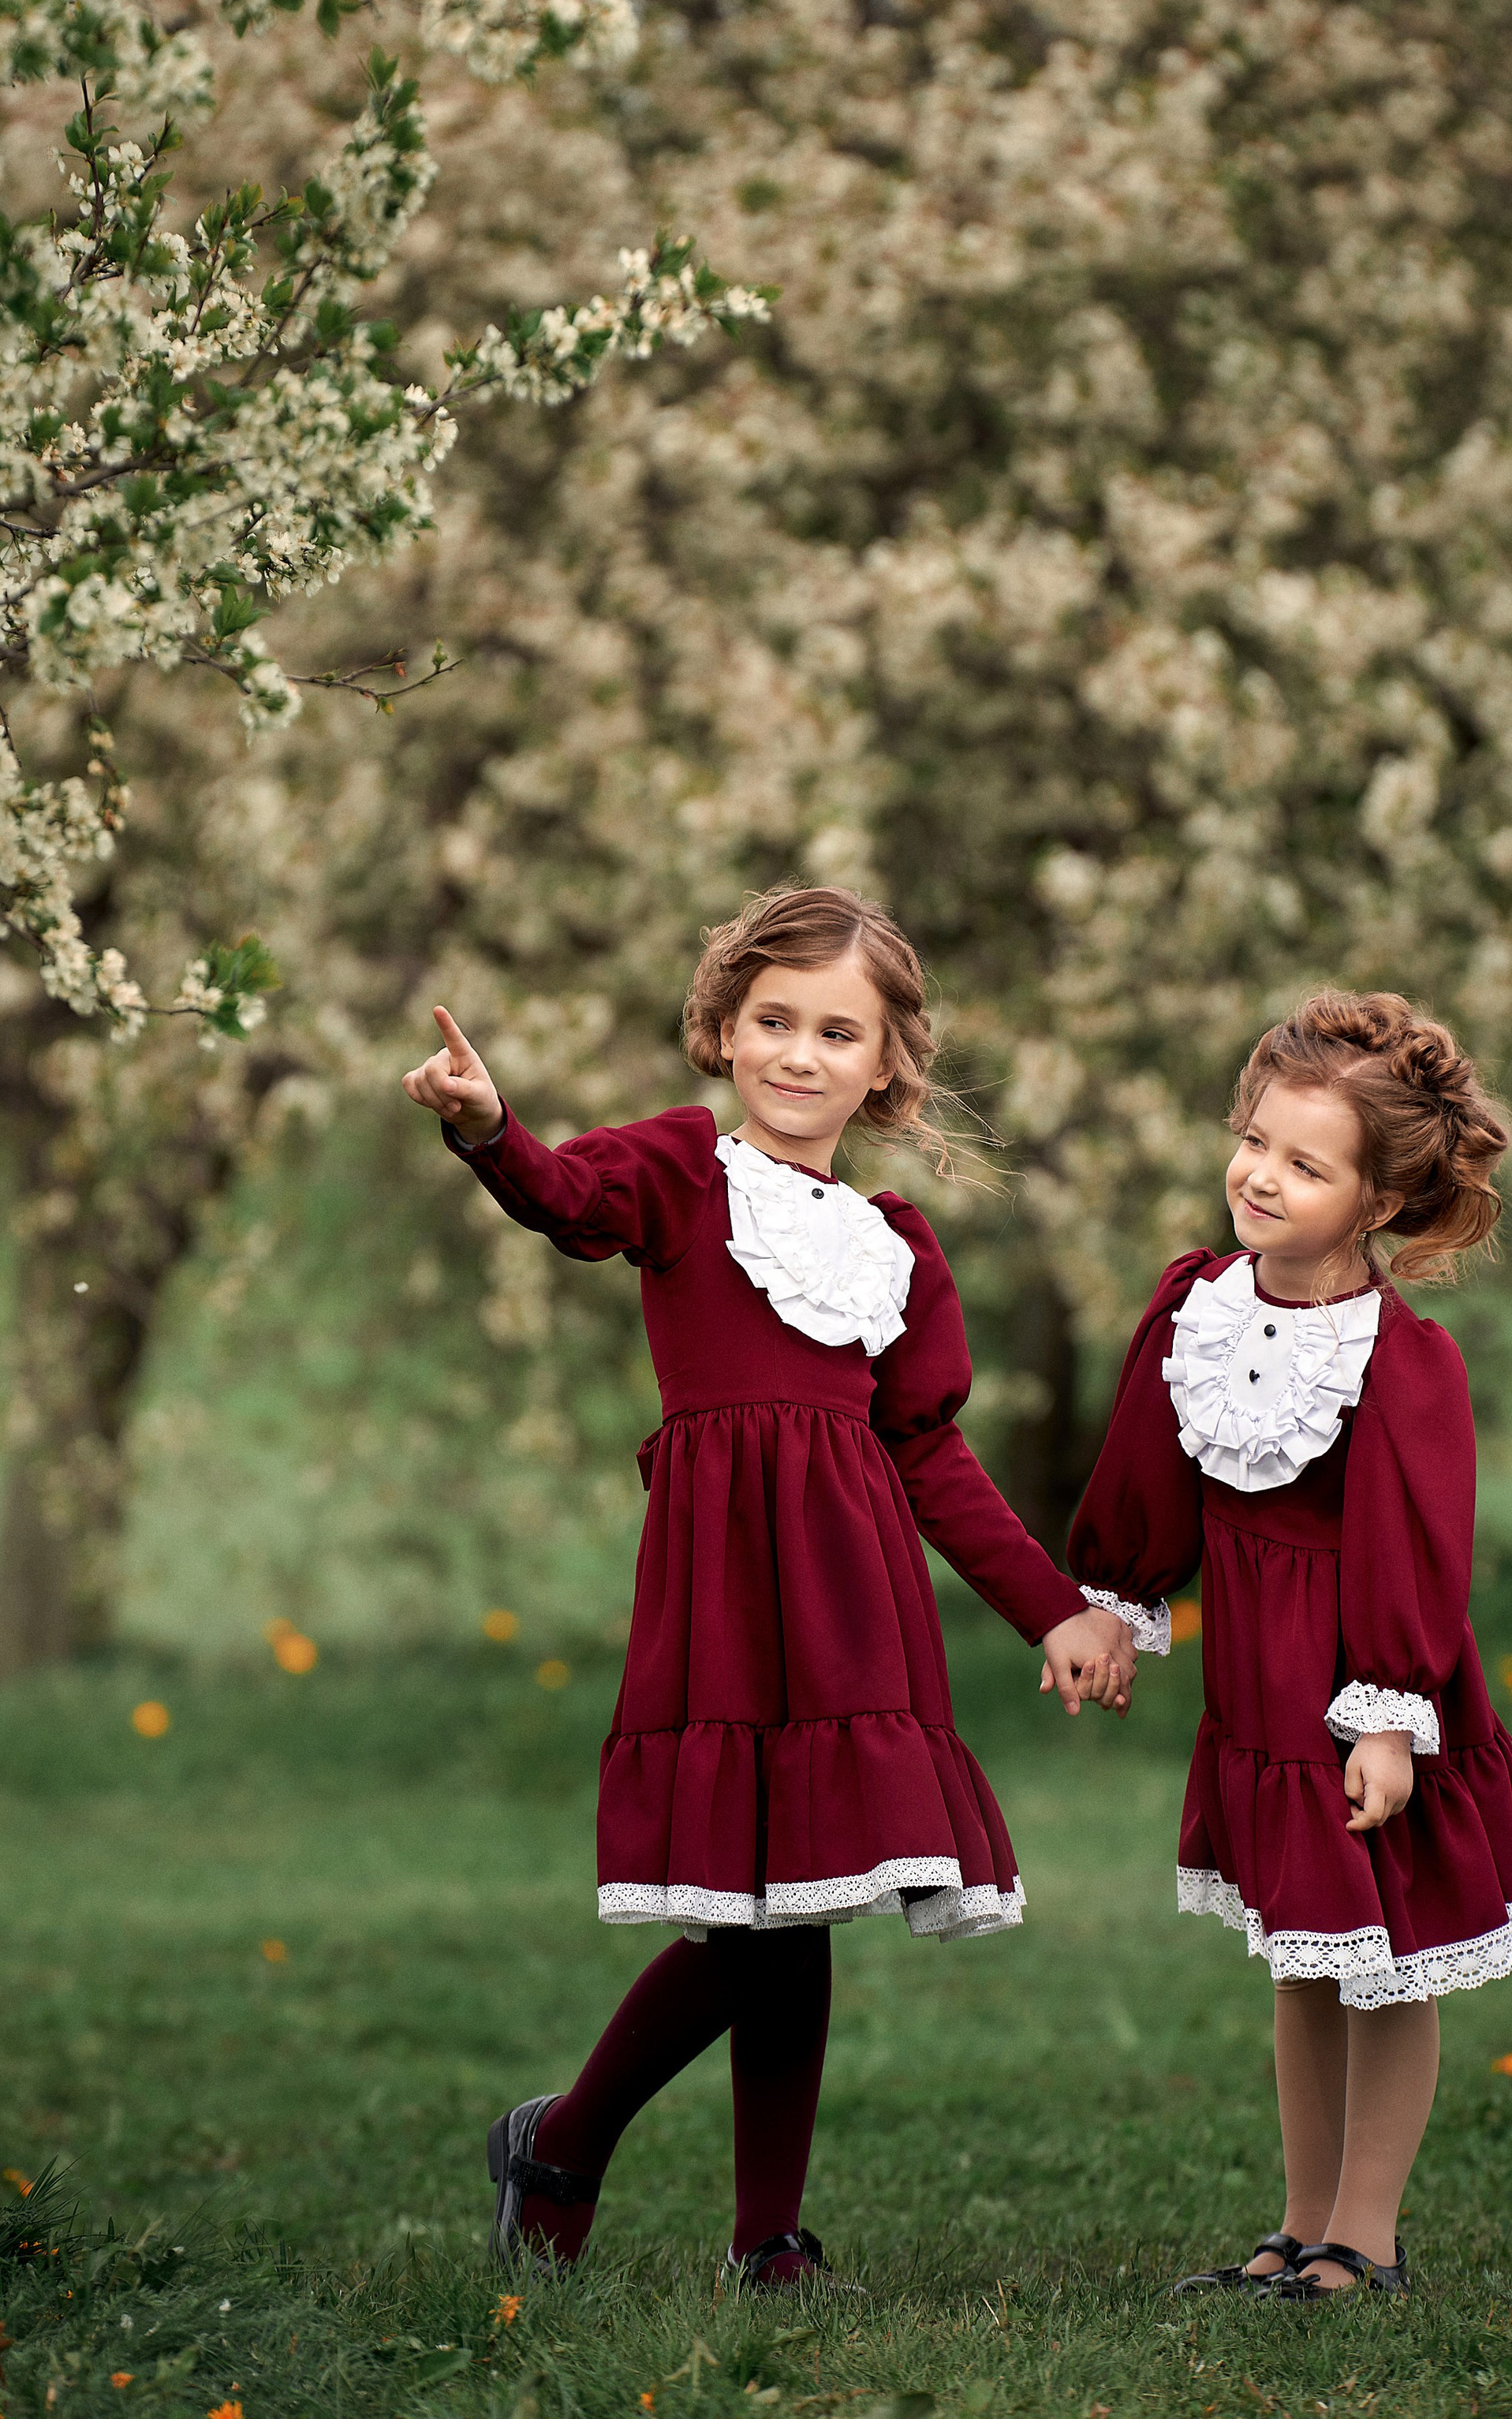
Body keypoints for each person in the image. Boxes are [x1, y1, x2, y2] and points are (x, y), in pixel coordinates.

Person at [401, 884, 1135, 2286]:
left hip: (854, 1602)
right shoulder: (680, 1171)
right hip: (730, 1586)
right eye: (774, 1021)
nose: (802, 1054)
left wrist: (1053, 1605)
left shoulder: (899, 1250)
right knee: (748, 1911)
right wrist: (490, 1127)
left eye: (837, 1031)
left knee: (805, 1896)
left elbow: (930, 1458)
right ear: (724, 1031)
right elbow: (565, 1199)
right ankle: (567, 2141)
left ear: (885, 1066)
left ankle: (755, 2234)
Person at [1068, 989, 1512, 2305]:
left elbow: (1415, 1546)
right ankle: (1299, 2220)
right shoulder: (1197, 1303)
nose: (1261, 1175)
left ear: (1378, 1200)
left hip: (1364, 1688)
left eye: (1305, 1161)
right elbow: (1152, 1471)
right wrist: (1118, 1603)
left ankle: (1369, 2234)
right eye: (1255, 1139)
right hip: (1260, 1694)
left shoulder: (1399, 1360)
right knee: (1303, 1946)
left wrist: (1388, 1715)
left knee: (1381, 1957)